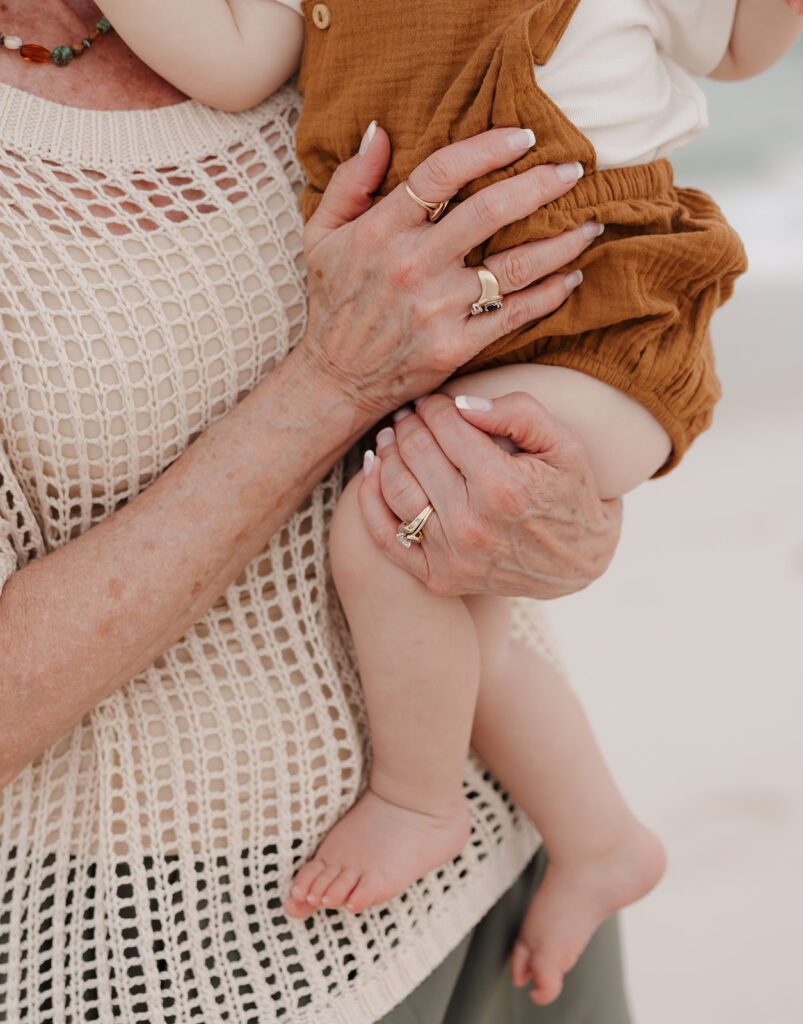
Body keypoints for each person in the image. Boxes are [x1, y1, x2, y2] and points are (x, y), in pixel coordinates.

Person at [90, 0, 803, 1005]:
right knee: (468, 618)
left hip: (606, 307)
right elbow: (236, 60)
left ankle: (416, 799)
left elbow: (734, 44)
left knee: (388, 530)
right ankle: (599, 835)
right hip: (465, 337)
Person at [0, 4, 635, 1023]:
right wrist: (333, 382)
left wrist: (564, 505)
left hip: (520, 842)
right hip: (184, 949)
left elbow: (550, 276)